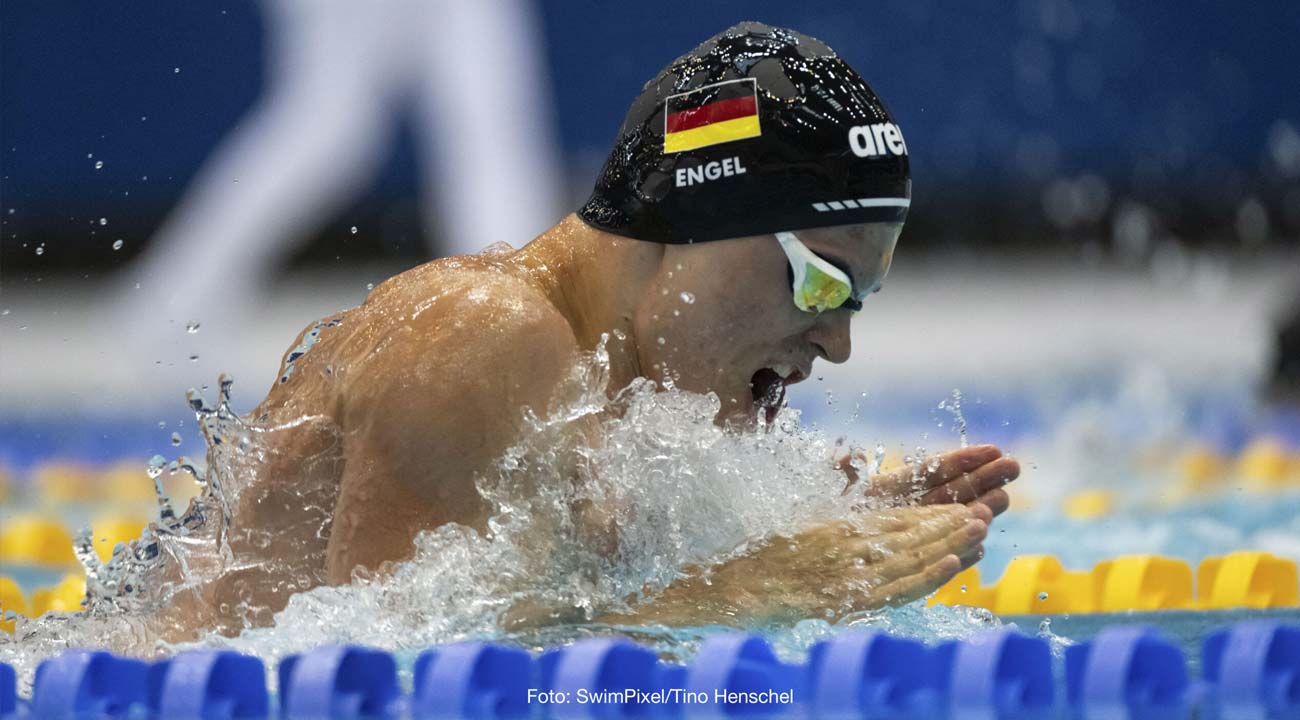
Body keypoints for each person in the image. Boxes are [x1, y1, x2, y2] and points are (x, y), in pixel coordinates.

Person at [177, 21, 1019, 634]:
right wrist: (752, 589)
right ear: (697, 224)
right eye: (820, 281)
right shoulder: (485, 339)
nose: (836, 342)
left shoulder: (610, 383)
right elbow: (394, 671)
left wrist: (811, 537)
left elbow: (541, 597)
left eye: (856, 300)